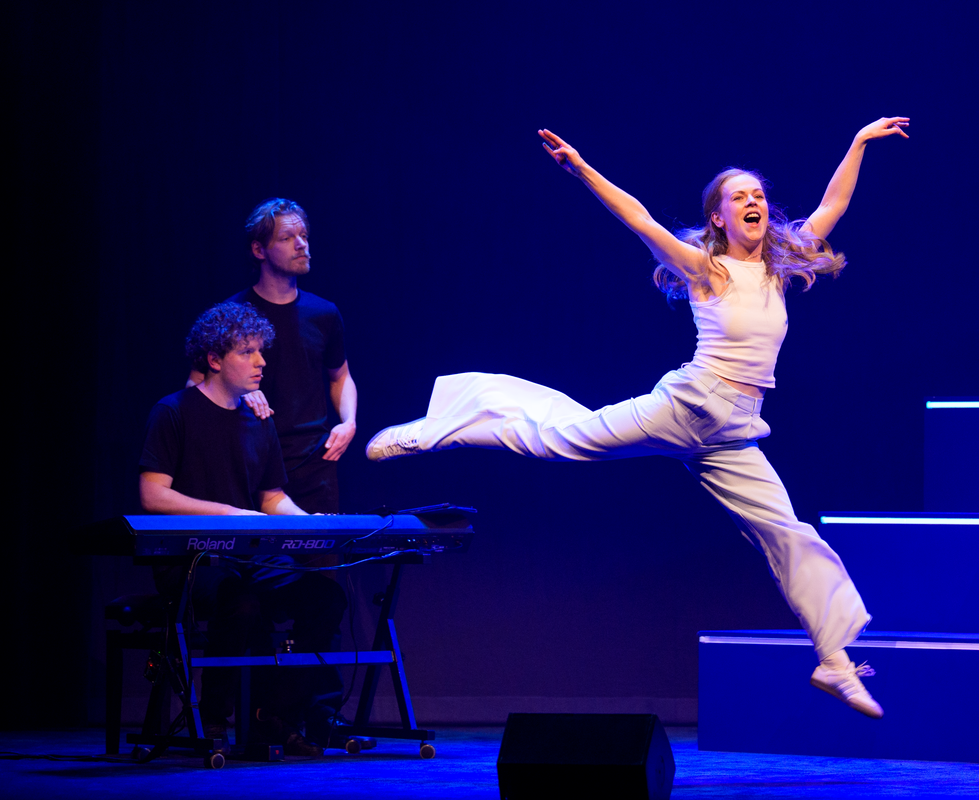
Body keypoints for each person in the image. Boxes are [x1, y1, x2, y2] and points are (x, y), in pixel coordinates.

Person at [366, 118, 910, 718]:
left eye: (758, 195)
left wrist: (857, 143)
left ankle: (834, 659)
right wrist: (582, 171)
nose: (754, 202)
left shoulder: (778, 268)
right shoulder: (708, 270)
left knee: (787, 532)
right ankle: (439, 426)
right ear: (719, 219)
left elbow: (833, 203)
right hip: (690, 404)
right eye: (739, 197)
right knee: (563, 439)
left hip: (733, 431)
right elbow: (640, 219)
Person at [143, 302, 348, 754]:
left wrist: (311, 523)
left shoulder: (258, 422)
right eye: (248, 352)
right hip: (191, 561)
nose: (261, 362)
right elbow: (153, 495)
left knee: (325, 597)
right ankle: (214, 721)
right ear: (215, 360)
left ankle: (269, 711)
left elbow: (271, 497)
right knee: (240, 602)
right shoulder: (173, 412)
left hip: (245, 557)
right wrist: (225, 514)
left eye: (261, 351)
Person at [188, 198, 356, 514]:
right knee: (260, 561)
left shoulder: (324, 313)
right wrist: (239, 394)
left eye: (304, 236)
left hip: (313, 461)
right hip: (251, 459)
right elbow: (195, 389)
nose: (301, 245)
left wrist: (349, 422)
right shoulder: (233, 316)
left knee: (320, 557)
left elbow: (340, 375)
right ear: (259, 250)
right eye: (287, 238)